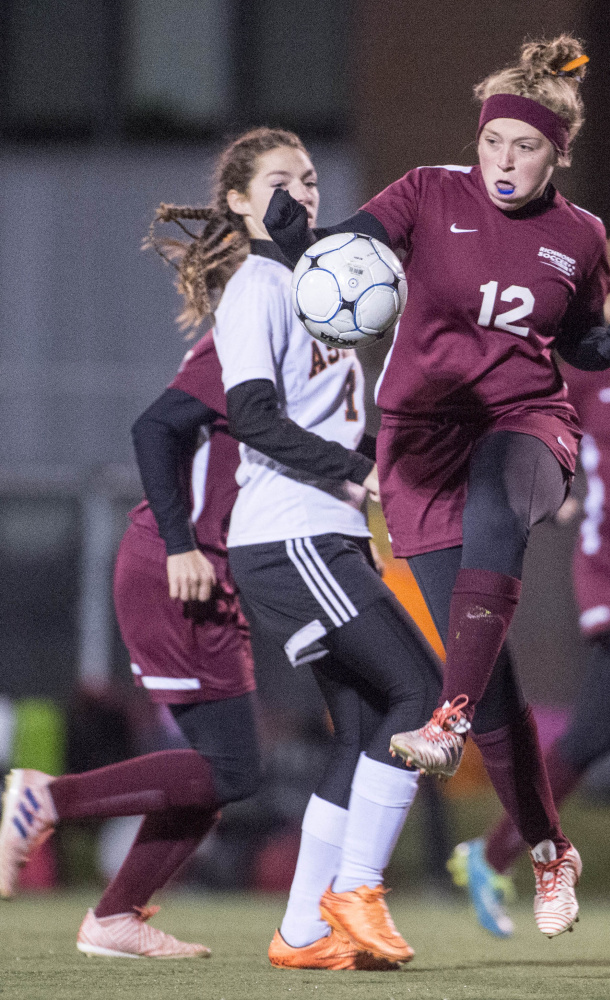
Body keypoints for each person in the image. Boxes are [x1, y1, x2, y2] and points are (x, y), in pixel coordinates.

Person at [264, 35, 610, 937]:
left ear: (559, 154)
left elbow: (576, 333)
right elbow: (341, 257)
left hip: (525, 424)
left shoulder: (580, 235)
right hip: (420, 439)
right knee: (502, 691)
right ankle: (550, 852)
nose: (506, 161)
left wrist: (603, 348)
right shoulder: (428, 192)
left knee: (497, 502)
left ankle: (448, 716)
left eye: (528, 147)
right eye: (495, 142)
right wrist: (296, 243)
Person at [144, 127, 442, 969]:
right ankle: (354, 894)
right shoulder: (259, 286)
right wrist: (360, 472)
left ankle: (305, 933)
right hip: (290, 532)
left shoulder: (319, 281)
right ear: (240, 201)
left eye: (310, 178)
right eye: (281, 180)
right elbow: (256, 417)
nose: (303, 192)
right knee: (419, 691)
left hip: (323, 533)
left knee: (360, 724)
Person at [454, 236, 610, 935]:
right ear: (609, 305)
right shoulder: (589, 377)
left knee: (592, 736)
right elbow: (534, 430)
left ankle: (491, 854)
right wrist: (548, 483)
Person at [0, 329, 259, 958]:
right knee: (230, 768)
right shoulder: (249, 331)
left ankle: (116, 916)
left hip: (212, 569)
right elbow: (153, 428)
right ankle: (47, 797)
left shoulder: (300, 345)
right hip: (185, 567)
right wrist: (180, 544)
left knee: (217, 772)